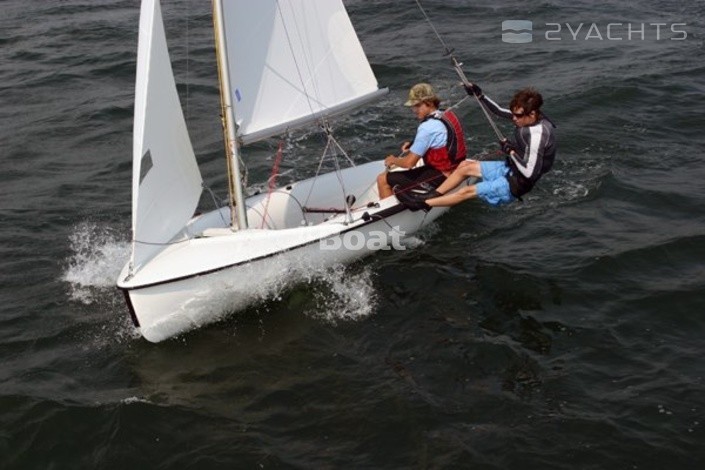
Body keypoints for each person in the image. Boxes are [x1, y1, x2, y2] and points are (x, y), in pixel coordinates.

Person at [396, 84, 556, 210]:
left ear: (532, 114)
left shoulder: (538, 135)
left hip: (517, 183)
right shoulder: (526, 116)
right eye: (513, 114)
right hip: (511, 168)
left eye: (518, 116)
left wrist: (510, 151)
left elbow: (529, 172)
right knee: (465, 166)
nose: (513, 118)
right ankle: (431, 195)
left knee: (466, 191)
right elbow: (499, 111)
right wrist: (480, 95)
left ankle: (421, 204)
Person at [376, 83, 466, 199]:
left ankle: (390, 209)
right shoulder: (446, 114)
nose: (414, 110)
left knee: (382, 179)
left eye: (417, 105)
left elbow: (409, 163)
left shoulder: (427, 127)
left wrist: (393, 160)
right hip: (456, 169)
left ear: (430, 103)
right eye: (413, 106)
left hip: (442, 176)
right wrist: (413, 144)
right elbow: (442, 138)